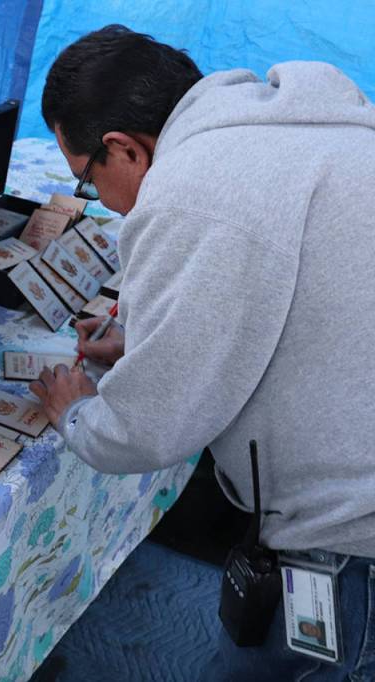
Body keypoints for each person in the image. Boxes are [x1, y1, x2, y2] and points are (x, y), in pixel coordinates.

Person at [28, 25, 375, 680]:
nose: (96, 201)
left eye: (85, 181)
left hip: (353, 540)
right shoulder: (296, 128)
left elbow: (147, 430)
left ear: (124, 147)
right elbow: (304, 293)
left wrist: (77, 412)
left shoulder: (191, 190)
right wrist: (154, 341)